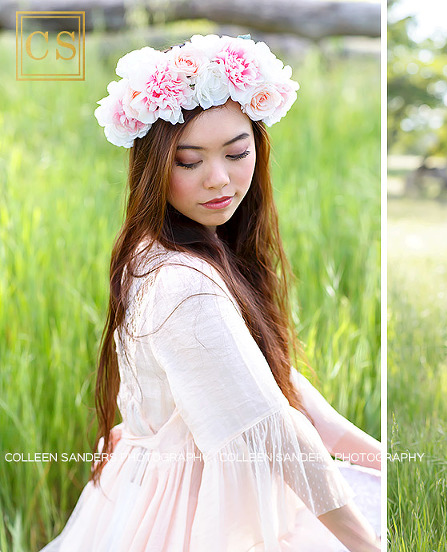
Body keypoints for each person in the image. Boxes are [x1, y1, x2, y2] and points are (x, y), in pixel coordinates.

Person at [41, 34, 381, 552]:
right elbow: (278, 434)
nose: (219, 180)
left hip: (162, 490)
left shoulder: (178, 250)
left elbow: (284, 395)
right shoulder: (182, 283)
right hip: (190, 515)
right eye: (189, 161)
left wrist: (385, 462)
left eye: (236, 153)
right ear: (153, 167)